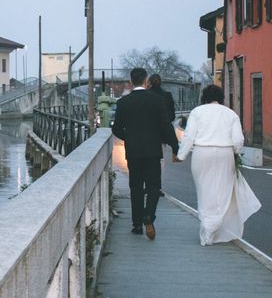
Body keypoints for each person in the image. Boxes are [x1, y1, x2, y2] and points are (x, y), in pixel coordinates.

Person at [176, 84, 261, 246]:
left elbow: (189, 136)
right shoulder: (231, 114)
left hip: (202, 154)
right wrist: (235, 152)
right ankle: (214, 227)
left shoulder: (197, 112)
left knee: (204, 191)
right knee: (223, 192)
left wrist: (181, 155)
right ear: (221, 98)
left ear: (204, 98)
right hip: (224, 154)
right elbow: (238, 140)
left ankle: (208, 228)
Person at [112, 68, 180, 240]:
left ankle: (136, 225)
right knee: (153, 186)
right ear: (145, 81)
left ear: (131, 81)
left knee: (135, 187)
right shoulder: (157, 101)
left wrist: (129, 137)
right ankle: (149, 215)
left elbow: (116, 129)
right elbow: (166, 125)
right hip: (152, 151)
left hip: (133, 151)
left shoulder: (123, 103)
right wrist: (174, 146)